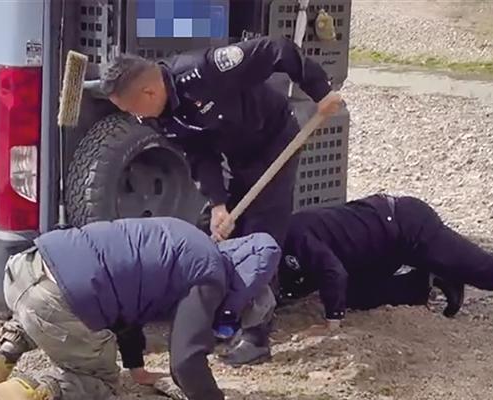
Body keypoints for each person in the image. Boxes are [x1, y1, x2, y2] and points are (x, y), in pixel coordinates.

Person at [100, 35, 342, 358]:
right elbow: (198, 154)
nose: (134, 117)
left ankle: (256, 336)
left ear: (148, 92)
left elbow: (276, 50)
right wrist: (217, 204)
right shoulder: (159, 116)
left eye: (131, 109)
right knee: (225, 231)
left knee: (261, 233)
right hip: (237, 154)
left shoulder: (205, 70)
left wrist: (320, 90)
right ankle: (222, 317)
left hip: (274, 139)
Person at [0, 217, 281, 400]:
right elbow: (186, 361)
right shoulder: (210, 277)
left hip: (26, 267)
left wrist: (137, 369)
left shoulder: (187, 240)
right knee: (99, 384)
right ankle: (29, 391)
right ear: (242, 297)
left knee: (47, 315)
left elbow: (127, 300)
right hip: (58, 298)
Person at [223, 193, 493, 365]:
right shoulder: (268, 257)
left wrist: (330, 324)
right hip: (379, 251)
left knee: (490, 272)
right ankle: (429, 280)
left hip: (407, 226)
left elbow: (332, 271)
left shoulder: (293, 235)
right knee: (352, 295)